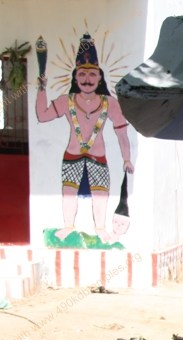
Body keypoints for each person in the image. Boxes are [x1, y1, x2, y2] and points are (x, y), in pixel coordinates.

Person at [35, 32, 133, 242]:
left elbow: (122, 133)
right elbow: (42, 116)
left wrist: (126, 159)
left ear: (99, 77)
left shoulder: (110, 103)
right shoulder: (66, 101)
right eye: (82, 74)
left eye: (92, 75)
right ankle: (68, 226)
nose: (87, 80)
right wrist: (41, 88)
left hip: (98, 156)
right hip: (72, 155)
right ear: (75, 77)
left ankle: (100, 228)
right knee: (69, 191)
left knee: (101, 193)